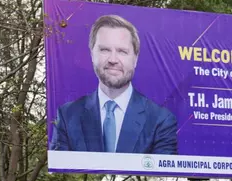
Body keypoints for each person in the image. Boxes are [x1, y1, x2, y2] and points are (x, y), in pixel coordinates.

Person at [49, 14, 178, 154]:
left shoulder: (161, 120)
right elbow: (61, 170)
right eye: (105, 50)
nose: (113, 59)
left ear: (135, 59)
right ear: (92, 55)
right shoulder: (67, 115)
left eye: (122, 51)